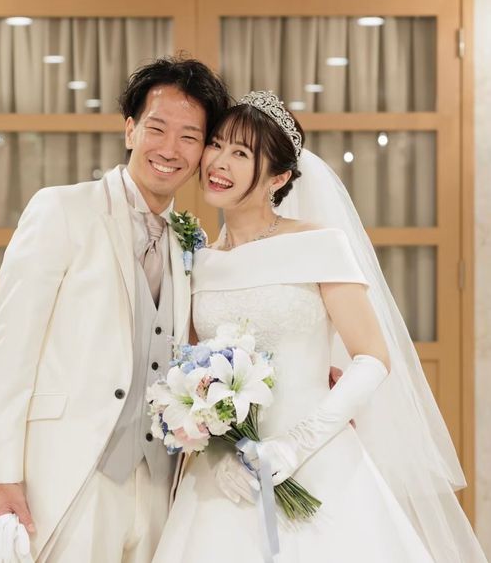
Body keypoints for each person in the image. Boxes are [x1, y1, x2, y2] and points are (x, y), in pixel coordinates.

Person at [152, 91, 488, 562]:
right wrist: (218, 449)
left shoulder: (318, 243)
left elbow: (373, 358)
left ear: (279, 178)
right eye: (217, 144)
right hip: (223, 478)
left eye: (241, 153)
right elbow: (194, 372)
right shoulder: (199, 261)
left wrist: (294, 447)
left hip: (316, 460)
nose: (218, 162)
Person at [0, 56, 230, 562]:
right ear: (130, 130)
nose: (170, 149)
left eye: (189, 137)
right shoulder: (62, 210)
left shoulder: (191, 240)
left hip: (161, 481)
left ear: (203, 149)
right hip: (73, 472)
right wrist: (3, 477)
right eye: (157, 128)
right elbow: (13, 349)